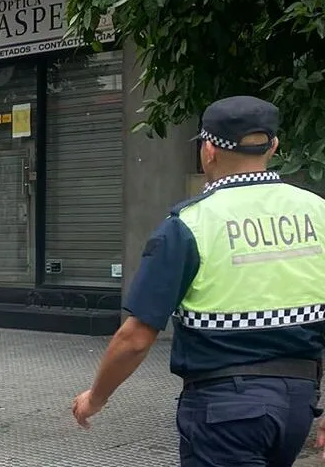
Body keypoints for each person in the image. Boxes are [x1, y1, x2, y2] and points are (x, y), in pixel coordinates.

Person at [72, 96, 325, 466]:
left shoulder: (189, 224)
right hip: (298, 404)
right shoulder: (317, 213)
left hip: (224, 410)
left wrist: (96, 396)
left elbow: (136, 338)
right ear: (274, 146)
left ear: (208, 150)